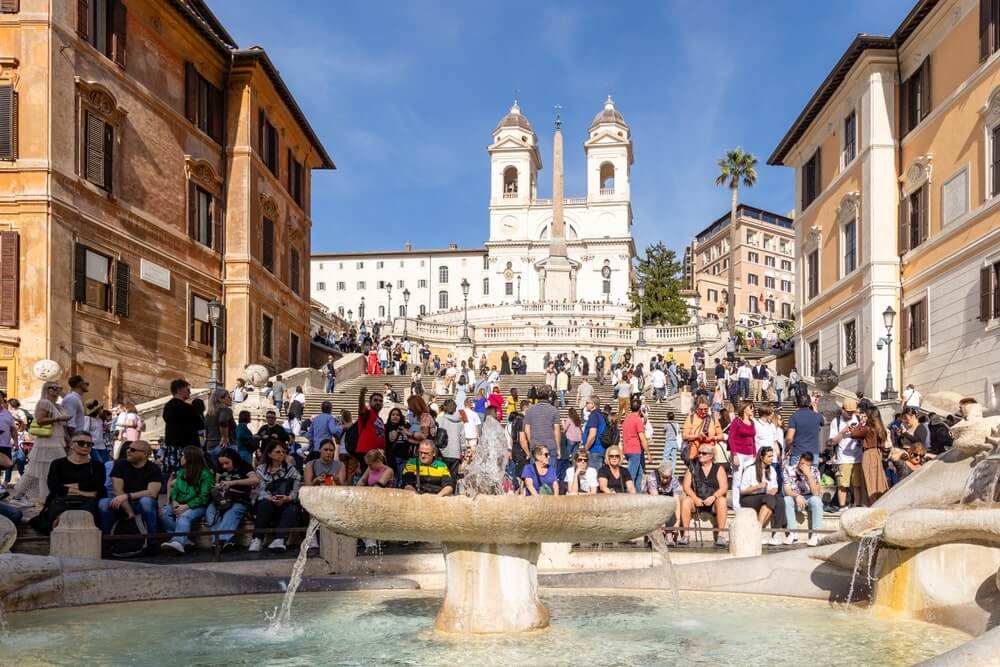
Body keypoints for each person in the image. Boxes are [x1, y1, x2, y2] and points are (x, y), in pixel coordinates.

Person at [13, 381, 70, 503]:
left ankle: (23, 495)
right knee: (43, 469)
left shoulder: (57, 405)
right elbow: (39, 420)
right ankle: (42, 497)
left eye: (59, 387)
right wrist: (58, 418)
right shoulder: (44, 403)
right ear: (46, 389)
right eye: (53, 388)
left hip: (56, 440)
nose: (56, 389)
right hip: (48, 441)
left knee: (44, 469)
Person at [99, 439, 162, 538]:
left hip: (141, 503)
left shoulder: (154, 469)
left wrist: (127, 496)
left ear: (145, 454)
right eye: (128, 448)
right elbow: (117, 490)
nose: (128, 451)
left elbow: (152, 493)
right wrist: (130, 512)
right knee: (104, 503)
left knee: (146, 502)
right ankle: (107, 540)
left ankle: (152, 540)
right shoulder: (120, 464)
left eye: (133, 450)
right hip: (122, 503)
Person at [159, 445, 214, 554]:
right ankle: (184, 540)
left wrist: (185, 507)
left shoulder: (206, 474)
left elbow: (204, 498)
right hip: (180, 503)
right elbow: (175, 492)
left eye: (182, 455)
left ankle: (178, 542)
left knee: (185, 516)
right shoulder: (181, 472)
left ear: (190, 458)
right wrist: (175, 503)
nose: (180, 458)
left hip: (198, 506)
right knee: (165, 512)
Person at [250, 439, 302, 552]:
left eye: (283, 452)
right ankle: (257, 539)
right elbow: (260, 490)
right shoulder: (261, 470)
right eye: (278, 452)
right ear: (269, 454)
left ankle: (279, 540)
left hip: (286, 501)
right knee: (264, 504)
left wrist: (288, 498)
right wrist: (271, 498)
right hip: (268, 501)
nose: (282, 454)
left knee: (292, 508)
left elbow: (296, 489)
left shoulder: (291, 470)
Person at [206, 448, 258, 551]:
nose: (224, 466)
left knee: (233, 512)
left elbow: (255, 480)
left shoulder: (244, 466)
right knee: (210, 510)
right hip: (222, 498)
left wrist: (233, 483)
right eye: (222, 464)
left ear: (234, 460)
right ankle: (225, 541)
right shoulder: (220, 469)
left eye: (227, 463)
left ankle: (219, 541)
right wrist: (218, 486)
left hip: (240, 499)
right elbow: (215, 482)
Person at [680, 444, 729, 547]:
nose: (700, 455)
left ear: (711, 456)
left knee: (722, 500)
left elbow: (724, 487)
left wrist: (713, 497)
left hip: (713, 501)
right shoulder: (693, 467)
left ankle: (721, 535)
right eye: (699, 453)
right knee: (686, 501)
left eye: (704, 453)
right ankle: (686, 534)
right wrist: (695, 498)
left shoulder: (718, 468)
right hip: (697, 500)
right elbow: (686, 486)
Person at [736, 446, 785, 545]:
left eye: (772, 456)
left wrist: (774, 490)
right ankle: (757, 531)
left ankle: (776, 533)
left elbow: (775, 486)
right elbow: (742, 491)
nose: (772, 458)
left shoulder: (771, 470)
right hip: (749, 498)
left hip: (766, 497)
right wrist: (757, 487)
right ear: (762, 457)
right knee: (770, 499)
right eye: (769, 456)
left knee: (780, 500)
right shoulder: (750, 469)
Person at [161, 379, 203, 480]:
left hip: (173, 447)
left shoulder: (167, 407)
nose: (190, 392)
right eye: (188, 390)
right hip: (187, 448)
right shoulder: (187, 408)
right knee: (189, 475)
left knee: (173, 476)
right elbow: (200, 425)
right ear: (179, 390)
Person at [849, 408, 890, 505]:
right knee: (877, 479)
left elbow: (853, 434)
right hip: (877, 453)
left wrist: (860, 423)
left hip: (869, 454)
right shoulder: (881, 428)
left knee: (869, 479)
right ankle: (879, 500)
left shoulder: (868, 428)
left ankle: (871, 502)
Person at [782, 452, 824, 546]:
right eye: (802, 463)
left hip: (810, 498)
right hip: (795, 498)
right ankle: (793, 533)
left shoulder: (815, 470)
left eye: (807, 465)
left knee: (817, 500)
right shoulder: (789, 470)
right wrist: (796, 496)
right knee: (787, 499)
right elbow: (787, 490)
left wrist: (809, 475)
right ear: (799, 460)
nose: (803, 466)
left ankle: (816, 534)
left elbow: (816, 493)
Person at [827, 398, 861, 510]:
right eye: (849, 411)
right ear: (843, 410)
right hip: (843, 458)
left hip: (858, 457)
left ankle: (857, 506)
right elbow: (832, 442)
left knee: (857, 485)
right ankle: (842, 507)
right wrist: (843, 432)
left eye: (853, 411)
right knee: (842, 485)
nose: (851, 414)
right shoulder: (835, 422)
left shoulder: (859, 419)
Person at [681, 396, 723, 466]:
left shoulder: (713, 418)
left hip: (710, 455)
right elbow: (684, 436)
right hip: (694, 455)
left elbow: (721, 436)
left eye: (706, 409)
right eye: (701, 409)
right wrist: (697, 436)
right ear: (696, 408)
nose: (703, 412)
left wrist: (712, 438)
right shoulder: (691, 418)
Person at [786, 393, 825, 466]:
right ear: (810, 403)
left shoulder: (794, 417)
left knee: (796, 476)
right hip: (813, 454)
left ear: (798, 403)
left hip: (798, 453)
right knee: (812, 476)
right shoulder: (817, 416)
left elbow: (789, 438)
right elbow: (823, 422)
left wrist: (787, 448)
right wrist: (815, 407)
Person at [523, 386, 560, 460]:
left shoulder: (530, 410)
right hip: (550, 445)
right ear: (549, 396)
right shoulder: (553, 410)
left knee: (535, 470)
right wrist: (558, 448)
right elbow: (557, 430)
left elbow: (527, 429)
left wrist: (532, 441)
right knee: (550, 470)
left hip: (535, 445)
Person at [621, 398, 650, 487]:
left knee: (639, 473)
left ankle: (637, 493)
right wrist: (649, 453)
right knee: (631, 475)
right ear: (640, 408)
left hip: (627, 449)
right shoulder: (637, 420)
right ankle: (625, 493)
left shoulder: (626, 419)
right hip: (635, 449)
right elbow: (642, 438)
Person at [356, 387, 385, 467]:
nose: (378, 402)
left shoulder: (380, 420)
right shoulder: (368, 413)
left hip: (377, 455)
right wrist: (362, 395)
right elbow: (361, 409)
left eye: (380, 401)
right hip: (366, 452)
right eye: (375, 400)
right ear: (370, 402)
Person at [436, 399, 465, 474]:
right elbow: (462, 438)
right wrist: (463, 450)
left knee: (443, 477)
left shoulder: (439, 420)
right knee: (453, 478)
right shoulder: (460, 421)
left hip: (442, 452)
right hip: (455, 452)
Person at [728, 401, 757, 470]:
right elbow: (731, 438)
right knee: (737, 478)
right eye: (750, 407)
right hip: (739, 453)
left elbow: (753, 440)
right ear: (744, 408)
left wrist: (755, 454)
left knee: (748, 478)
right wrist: (734, 455)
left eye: (753, 407)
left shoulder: (752, 422)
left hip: (750, 454)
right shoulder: (737, 421)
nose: (753, 409)